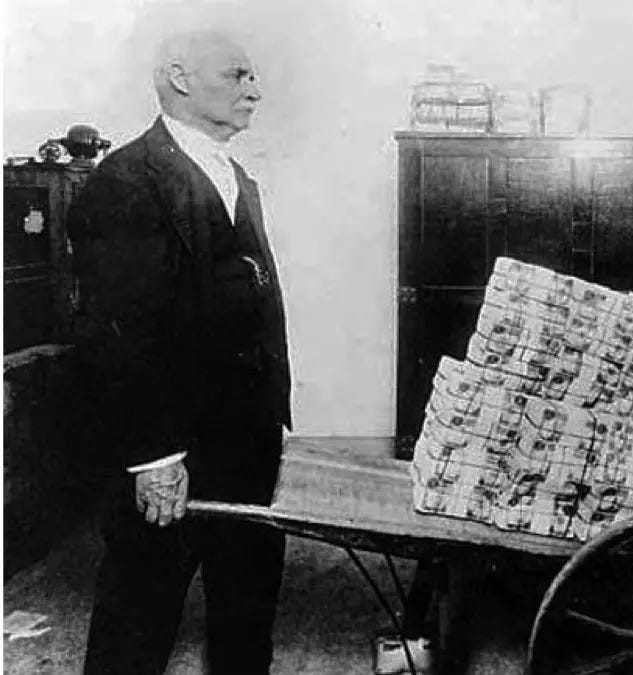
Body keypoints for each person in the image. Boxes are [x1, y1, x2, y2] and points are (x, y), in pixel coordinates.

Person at [69, 29, 291, 675]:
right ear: (180, 78)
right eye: (237, 74)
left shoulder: (239, 179)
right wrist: (156, 457)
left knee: (246, 620)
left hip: (247, 446)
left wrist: (273, 420)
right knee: (136, 624)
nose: (255, 89)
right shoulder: (124, 180)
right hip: (170, 453)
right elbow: (118, 333)